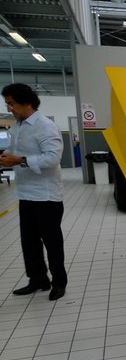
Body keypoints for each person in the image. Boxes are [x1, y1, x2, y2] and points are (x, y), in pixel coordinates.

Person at [1, 83, 67, 301]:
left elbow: (52, 158)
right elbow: (16, 152)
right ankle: (38, 280)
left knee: (52, 243)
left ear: (26, 102)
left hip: (46, 195)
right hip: (25, 193)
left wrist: (19, 160)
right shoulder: (18, 126)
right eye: (7, 104)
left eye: (11, 104)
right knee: (29, 243)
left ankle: (59, 282)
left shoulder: (45, 126)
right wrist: (7, 157)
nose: (9, 108)